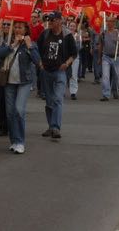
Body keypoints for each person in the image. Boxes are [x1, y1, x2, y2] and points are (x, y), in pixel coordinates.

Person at [0, 21, 39, 154]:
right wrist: (12, 45)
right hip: (9, 82)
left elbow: (37, 61)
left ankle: (20, 141)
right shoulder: (8, 41)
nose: (17, 30)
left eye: (20, 27)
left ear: (26, 29)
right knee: (10, 113)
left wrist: (29, 46)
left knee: (19, 110)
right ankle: (14, 140)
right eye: (15, 27)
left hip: (24, 82)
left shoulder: (30, 43)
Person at [36, 11, 77, 140]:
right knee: (49, 101)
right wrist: (40, 63)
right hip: (46, 71)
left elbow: (74, 54)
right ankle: (50, 126)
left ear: (60, 21)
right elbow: (37, 50)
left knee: (58, 99)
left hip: (60, 71)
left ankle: (56, 127)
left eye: (53, 20)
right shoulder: (45, 34)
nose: (50, 22)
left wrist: (67, 63)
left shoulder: (67, 35)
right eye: (49, 20)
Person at [99, 16, 119, 101]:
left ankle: (115, 91)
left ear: (114, 23)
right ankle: (106, 94)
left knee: (116, 76)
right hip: (106, 57)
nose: (109, 23)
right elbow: (101, 45)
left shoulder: (118, 33)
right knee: (105, 76)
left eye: (111, 21)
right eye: (108, 21)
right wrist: (99, 58)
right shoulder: (103, 33)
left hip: (116, 58)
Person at [67, 21, 81, 100]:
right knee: (64, 75)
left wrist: (77, 41)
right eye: (70, 26)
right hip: (66, 58)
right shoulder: (65, 35)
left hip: (75, 58)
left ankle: (73, 92)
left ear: (75, 28)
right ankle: (61, 92)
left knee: (73, 75)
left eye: (73, 26)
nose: (72, 28)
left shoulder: (77, 36)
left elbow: (79, 49)